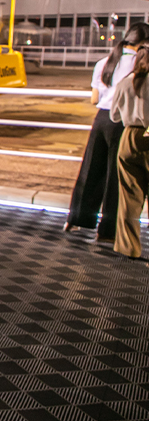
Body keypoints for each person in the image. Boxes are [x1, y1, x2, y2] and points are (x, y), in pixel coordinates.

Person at [63, 23, 148, 243]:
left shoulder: (104, 62)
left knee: (90, 169)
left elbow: (94, 99)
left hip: (101, 119)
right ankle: (107, 230)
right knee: (116, 178)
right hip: (124, 122)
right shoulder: (141, 65)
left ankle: (77, 219)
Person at [111, 43, 149, 260]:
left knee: (129, 196)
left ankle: (129, 247)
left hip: (129, 137)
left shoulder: (125, 82)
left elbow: (114, 116)